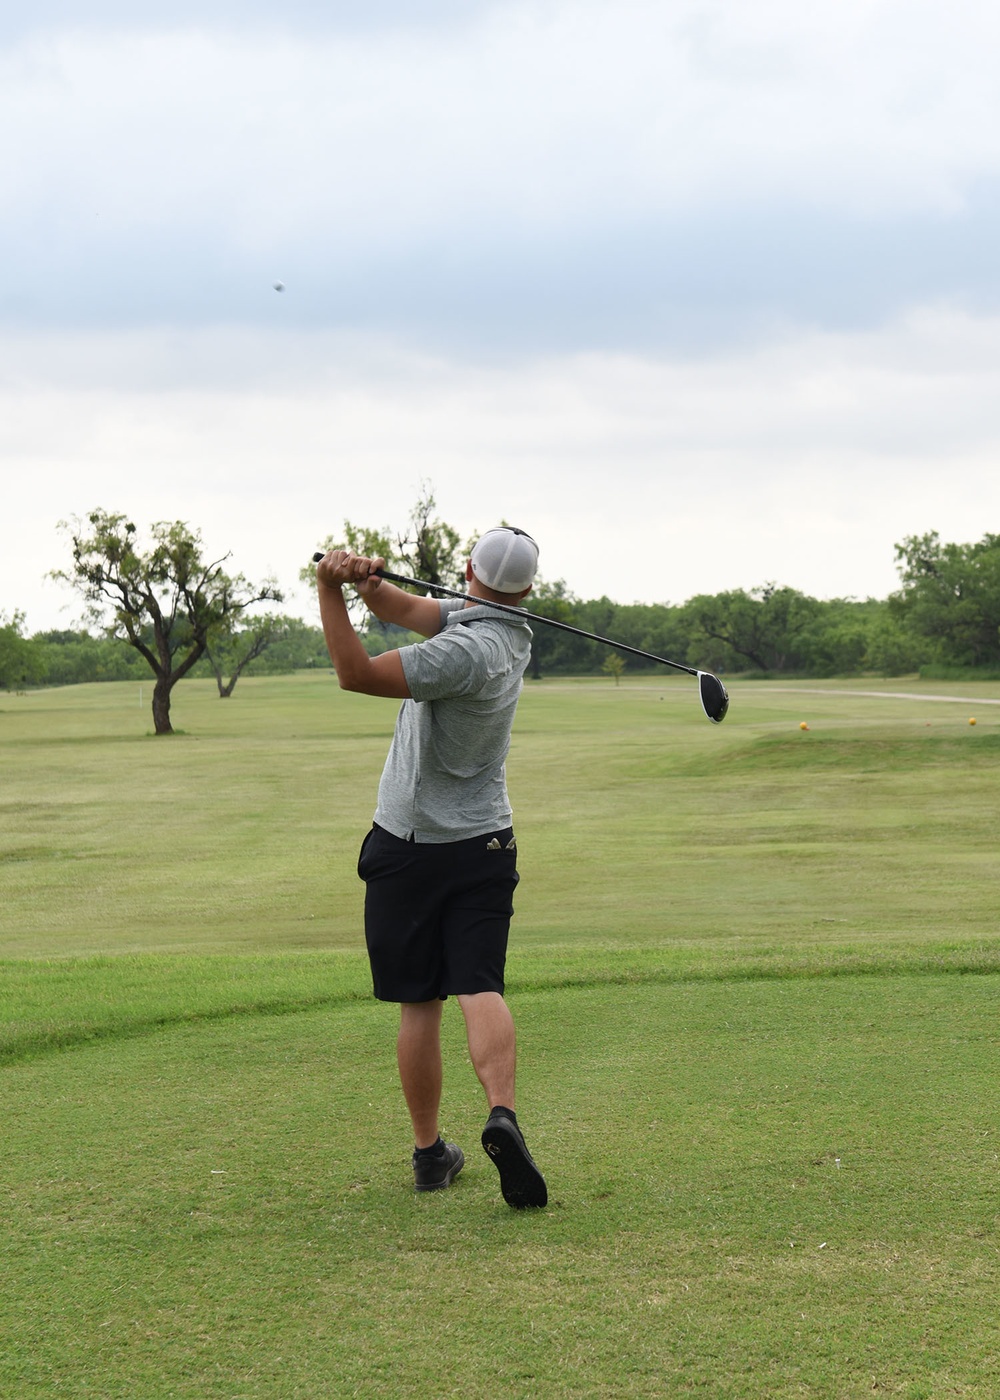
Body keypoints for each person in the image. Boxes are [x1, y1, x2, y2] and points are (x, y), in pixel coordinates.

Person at [315, 526, 547, 1208]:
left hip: (409, 843)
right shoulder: (508, 628)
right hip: (485, 842)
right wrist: (366, 581)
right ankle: (501, 1112)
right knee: (478, 983)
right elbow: (405, 609)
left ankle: (428, 1155)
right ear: (527, 589)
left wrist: (328, 591)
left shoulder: (463, 652)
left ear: (467, 567)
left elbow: (355, 674)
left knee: (421, 1001)